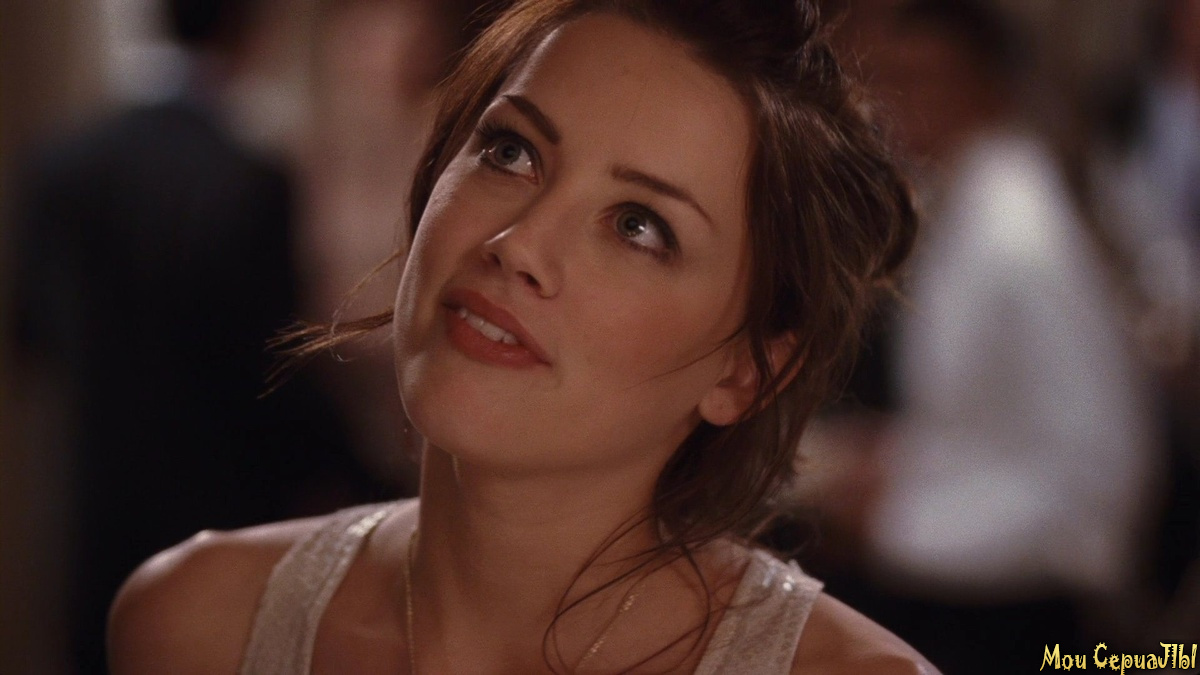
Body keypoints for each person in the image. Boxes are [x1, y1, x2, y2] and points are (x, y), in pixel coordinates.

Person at [106, 1, 935, 672]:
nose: (518, 243)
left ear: (746, 372)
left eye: (638, 226)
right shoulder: (199, 623)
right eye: (511, 152)